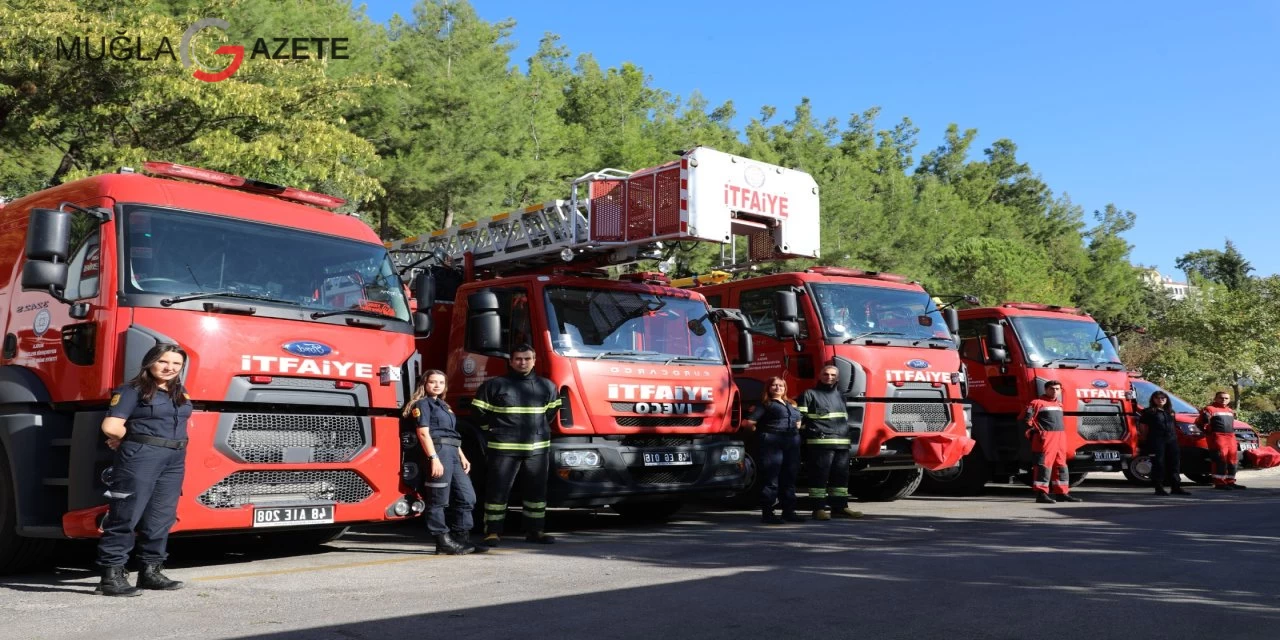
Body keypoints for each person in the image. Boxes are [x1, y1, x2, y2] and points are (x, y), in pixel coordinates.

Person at [95, 344, 192, 597]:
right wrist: (130, 438)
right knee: (126, 515)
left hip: (174, 458)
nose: (169, 368)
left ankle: (151, 571)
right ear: (150, 362)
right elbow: (111, 426)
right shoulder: (132, 390)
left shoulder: (179, 392)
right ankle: (111, 575)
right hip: (141, 457)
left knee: (161, 516)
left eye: (176, 364)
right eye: (163, 362)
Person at [472, 344, 560, 545]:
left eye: (527, 358)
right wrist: (494, 431)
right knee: (498, 490)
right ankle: (493, 532)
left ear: (534, 360)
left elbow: (550, 414)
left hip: (537, 449)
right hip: (504, 448)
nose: (523, 362)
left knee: (537, 492)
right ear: (511, 361)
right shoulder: (494, 385)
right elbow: (479, 413)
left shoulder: (547, 386)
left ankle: (535, 531)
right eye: (519, 359)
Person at [404, 370, 483, 555]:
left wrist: (462, 456)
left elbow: (451, 434)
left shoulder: (444, 406)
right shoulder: (422, 404)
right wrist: (433, 459)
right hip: (438, 451)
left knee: (467, 497)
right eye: (433, 382)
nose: (437, 385)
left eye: (441, 382)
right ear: (424, 384)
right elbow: (423, 433)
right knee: (439, 500)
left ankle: (461, 539)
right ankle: (442, 541)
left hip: (453, 451)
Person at [798, 365, 862, 520]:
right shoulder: (809, 394)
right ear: (820, 376)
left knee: (840, 477)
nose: (829, 377)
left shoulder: (840, 396)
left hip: (841, 442)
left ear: (838, 378)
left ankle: (840, 507)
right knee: (819, 476)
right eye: (826, 374)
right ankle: (818, 508)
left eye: (833, 375)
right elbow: (799, 420)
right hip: (819, 443)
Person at [742, 377, 805, 524]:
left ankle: (789, 512)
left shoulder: (792, 404)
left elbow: (798, 422)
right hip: (772, 442)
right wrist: (760, 436)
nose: (778, 388)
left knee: (789, 478)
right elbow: (749, 423)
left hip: (792, 443)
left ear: (785, 388)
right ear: (768, 388)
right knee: (771, 479)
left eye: (781, 385)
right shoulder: (764, 405)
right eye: (774, 385)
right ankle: (768, 514)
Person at [1022, 380, 1082, 504]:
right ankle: (1041, 494)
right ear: (1046, 390)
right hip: (1045, 439)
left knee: (1061, 465)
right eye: (1052, 389)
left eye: (1057, 389)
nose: (1054, 391)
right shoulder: (1036, 403)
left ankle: (1062, 493)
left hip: (1060, 438)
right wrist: (1036, 432)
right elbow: (1026, 420)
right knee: (1044, 466)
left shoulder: (1059, 405)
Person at [1140, 391, 1190, 496]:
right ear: (1153, 400)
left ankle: (1176, 487)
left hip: (1171, 440)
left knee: (1174, 464)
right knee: (1159, 464)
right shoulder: (1149, 412)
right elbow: (1143, 427)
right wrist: (1145, 440)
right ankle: (1159, 488)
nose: (1161, 400)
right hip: (1156, 441)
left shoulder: (1170, 411)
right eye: (1158, 398)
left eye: (1163, 398)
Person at [1196, 391, 1244, 490]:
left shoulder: (1230, 411)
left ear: (1229, 400)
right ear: (1215, 398)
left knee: (1232, 460)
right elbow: (1199, 423)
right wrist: (1208, 432)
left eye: (1226, 398)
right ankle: (1219, 483)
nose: (1224, 400)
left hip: (1230, 437)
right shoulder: (1209, 409)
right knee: (1220, 459)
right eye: (1221, 398)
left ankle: (1230, 481)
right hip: (1217, 437)